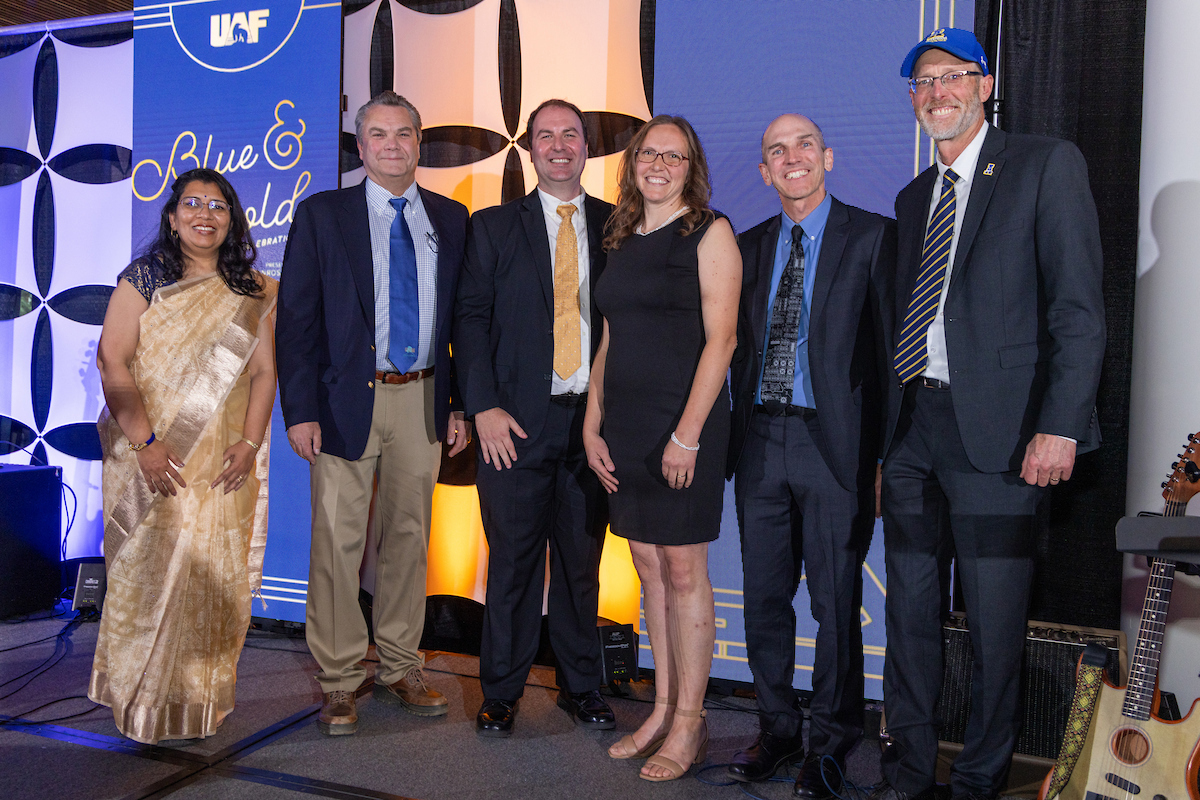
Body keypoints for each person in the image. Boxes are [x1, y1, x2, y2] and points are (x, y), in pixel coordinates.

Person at [875, 29, 1105, 800]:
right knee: (908, 614)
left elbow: (1078, 310)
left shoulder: (1044, 164)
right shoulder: (914, 198)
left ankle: (977, 780)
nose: (936, 93)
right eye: (923, 83)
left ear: (985, 84)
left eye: (951, 77)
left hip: (1004, 439)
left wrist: (1062, 422)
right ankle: (908, 773)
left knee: (996, 624)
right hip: (913, 435)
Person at [276, 91, 470, 735]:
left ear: (420, 143)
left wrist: (462, 402)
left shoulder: (451, 217)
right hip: (341, 402)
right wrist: (299, 409)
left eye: (404, 133)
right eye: (378, 134)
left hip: (421, 397)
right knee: (337, 543)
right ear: (361, 147)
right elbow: (296, 320)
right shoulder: (322, 216)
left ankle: (398, 666)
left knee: (409, 541)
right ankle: (337, 679)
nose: (392, 145)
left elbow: (464, 324)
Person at [726, 114, 895, 797]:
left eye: (803, 146)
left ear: (827, 157)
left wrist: (884, 458)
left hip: (838, 447)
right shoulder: (749, 246)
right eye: (776, 151)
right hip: (762, 441)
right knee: (765, 599)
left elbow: (889, 361)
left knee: (834, 601)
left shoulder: (875, 237)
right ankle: (777, 729)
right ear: (764, 172)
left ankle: (829, 743)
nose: (792, 158)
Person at [90, 168, 277, 744]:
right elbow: (111, 360)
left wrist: (248, 444)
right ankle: (139, 702)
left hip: (223, 463)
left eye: (217, 206)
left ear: (232, 219)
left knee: (214, 580)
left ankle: (199, 703)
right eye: (192, 204)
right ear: (172, 218)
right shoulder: (144, 278)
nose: (205, 214)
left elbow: (265, 371)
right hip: (154, 461)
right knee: (146, 576)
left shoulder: (254, 289)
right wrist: (145, 443)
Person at [583, 114, 741, 782]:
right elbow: (611, 338)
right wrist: (592, 423)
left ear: (690, 167)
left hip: (686, 428)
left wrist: (687, 435)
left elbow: (723, 340)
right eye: (649, 152)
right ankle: (663, 707)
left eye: (673, 156)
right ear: (633, 162)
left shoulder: (710, 230)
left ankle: (690, 723)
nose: (658, 164)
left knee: (683, 571)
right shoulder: (620, 234)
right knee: (646, 565)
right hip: (626, 425)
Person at [455, 98, 615, 737]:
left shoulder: (617, 226)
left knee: (581, 565)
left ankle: (582, 687)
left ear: (586, 146)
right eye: (544, 135)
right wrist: (482, 406)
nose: (557, 146)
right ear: (529, 148)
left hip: (592, 426)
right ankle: (501, 692)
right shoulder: (491, 227)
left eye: (569, 135)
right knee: (514, 563)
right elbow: (468, 321)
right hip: (514, 426)